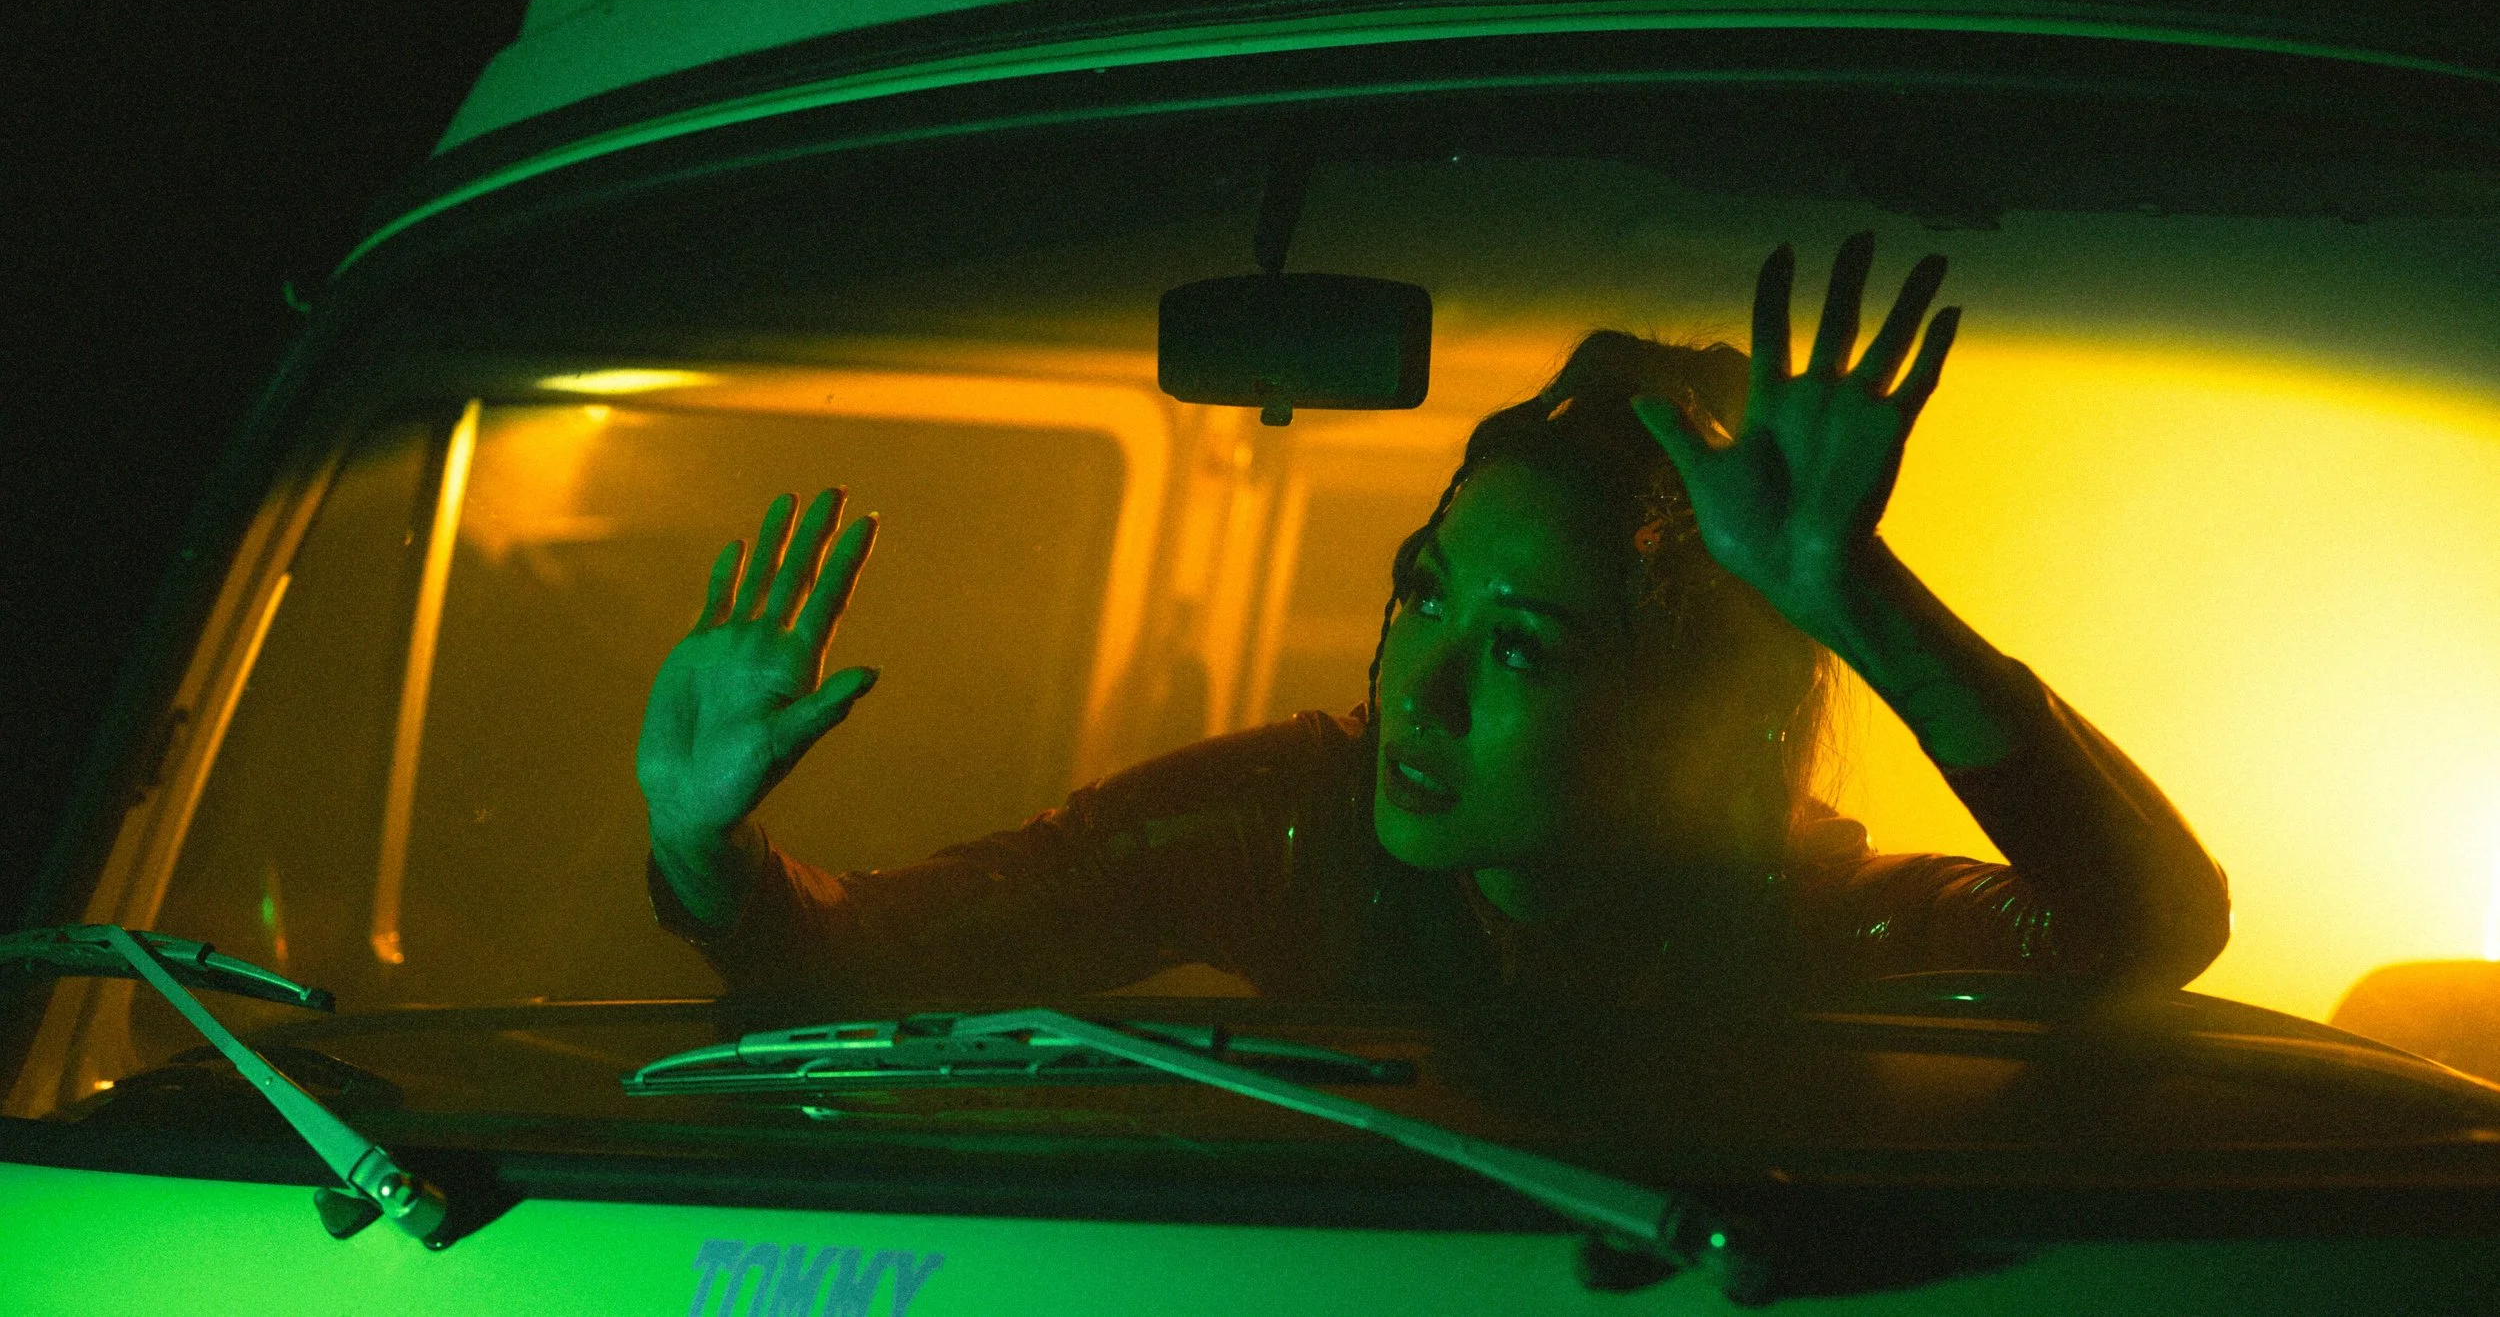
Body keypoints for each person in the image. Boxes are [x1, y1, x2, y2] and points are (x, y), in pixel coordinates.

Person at [633, 234, 2230, 1015]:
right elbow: (863, 961)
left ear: (1679, 705)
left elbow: (2148, 929)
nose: (1427, 682)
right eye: (1422, 592)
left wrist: (1852, 597)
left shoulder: (1811, 917)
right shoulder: (1279, 823)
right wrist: (707, 843)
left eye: (1526, 643)